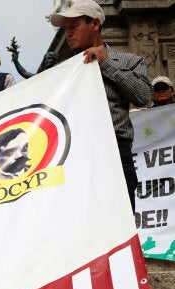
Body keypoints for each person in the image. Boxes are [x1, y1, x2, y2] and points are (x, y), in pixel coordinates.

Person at [51, 0, 152, 212]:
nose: (68, 34)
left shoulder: (129, 61)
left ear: (95, 24)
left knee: (120, 221)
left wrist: (106, 63)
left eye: (74, 26)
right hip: (74, 155)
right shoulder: (61, 71)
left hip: (115, 151)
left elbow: (143, 97)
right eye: (66, 29)